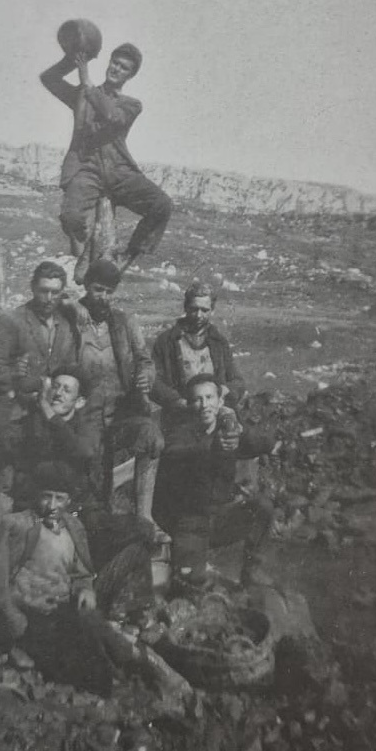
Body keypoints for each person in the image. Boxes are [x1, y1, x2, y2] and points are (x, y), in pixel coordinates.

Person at [0, 462, 155, 695]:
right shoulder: (16, 525)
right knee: (85, 672)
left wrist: (86, 589)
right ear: (35, 496)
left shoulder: (73, 527)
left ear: (69, 501)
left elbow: (82, 572)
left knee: (107, 647)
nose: (52, 506)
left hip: (63, 610)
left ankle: (130, 662)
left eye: (60, 498)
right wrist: (14, 621)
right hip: (30, 616)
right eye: (46, 497)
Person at [13, 364, 158, 617]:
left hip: (85, 514)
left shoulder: (83, 427)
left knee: (142, 533)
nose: (57, 394)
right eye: (55, 387)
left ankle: (128, 606)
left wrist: (52, 417)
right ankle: (103, 605)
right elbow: (44, 470)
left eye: (66, 390)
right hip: (51, 517)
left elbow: (85, 451)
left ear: (79, 402)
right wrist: (47, 416)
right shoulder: (36, 425)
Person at [40, 43, 172, 280]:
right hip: (87, 169)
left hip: (119, 170)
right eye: (115, 63)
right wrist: (72, 59)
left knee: (161, 205)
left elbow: (112, 116)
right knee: (72, 216)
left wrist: (86, 82)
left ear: (130, 75)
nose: (116, 69)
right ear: (108, 62)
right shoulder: (83, 94)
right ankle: (84, 251)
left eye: (124, 68)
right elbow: (48, 78)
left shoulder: (131, 104)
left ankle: (128, 254)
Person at [61, 259, 166, 537]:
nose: (103, 297)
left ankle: (145, 515)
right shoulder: (70, 318)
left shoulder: (124, 322)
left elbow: (145, 360)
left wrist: (146, 376)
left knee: (151, 438)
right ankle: (91, 529)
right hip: (85, 416)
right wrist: (70, 305)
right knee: (94, 482)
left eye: (109, 291)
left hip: (121, 412)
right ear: (86, 285)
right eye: (98, 289)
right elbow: (56, 303)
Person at [153, 373, 274, 591]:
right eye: (197, 399)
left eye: (209, 398)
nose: (204, 405)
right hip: (189, 522)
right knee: (192, 586)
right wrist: (214, 447)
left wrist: (238, 425)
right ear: (189, 405)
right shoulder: (177, 434)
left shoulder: (227, 429)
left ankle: (252, 570)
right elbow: (180, 453)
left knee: (262, 508)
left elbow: (265, 443)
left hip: (220, 516)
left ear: (219, 401)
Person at [0, 260, 77, 523]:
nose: (48, 298)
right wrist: (27, 383)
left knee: (41, 480)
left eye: (55, 292)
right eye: (43, 290)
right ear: (33, 287)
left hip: (47, 415)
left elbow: (69, 367)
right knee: (6, 479)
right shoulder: (12, 321)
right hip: (16, 412)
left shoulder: (65, 324)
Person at [151, 280, 245, 428]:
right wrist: (177, 401)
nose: (198, 315)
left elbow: (237, 381)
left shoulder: (219, 342)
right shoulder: (166, 342)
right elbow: (153, 381)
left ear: (212, 311)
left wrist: (223, 392)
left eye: (205, 310)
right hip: (179, 415)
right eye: (194, 309)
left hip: (214, 413)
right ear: (186, 307)